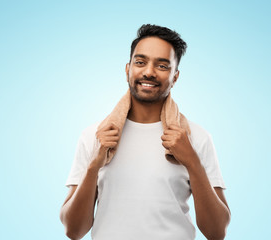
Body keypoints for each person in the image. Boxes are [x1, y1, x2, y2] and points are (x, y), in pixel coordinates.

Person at [60, 24, 231, 240]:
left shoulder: (196, 138)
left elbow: (217, 233)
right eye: (140, 62)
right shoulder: (94, 136)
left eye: (162, 65)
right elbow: (73, 231)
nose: (149, 72)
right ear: (127, 69)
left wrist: (193, 162)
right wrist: (94, 165)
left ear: (175, 77)